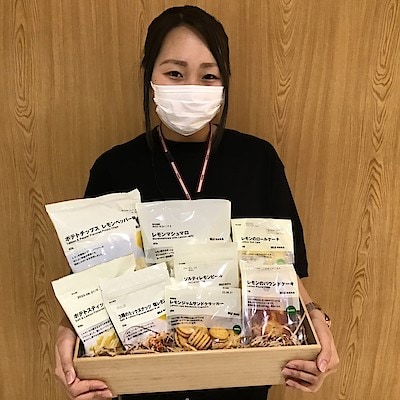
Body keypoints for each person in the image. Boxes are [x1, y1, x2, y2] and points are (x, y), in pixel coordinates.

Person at [55, 5, 339, 400]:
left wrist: (316, 327)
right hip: (141, 383)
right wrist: (68, 337)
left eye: (208, 76)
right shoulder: (114, 167)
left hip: (237, 381)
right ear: (149, 77)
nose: (191, 87)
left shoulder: (258, 160)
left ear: (224, 84)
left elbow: (283, 270)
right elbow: (91, 279)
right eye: (175, 73)